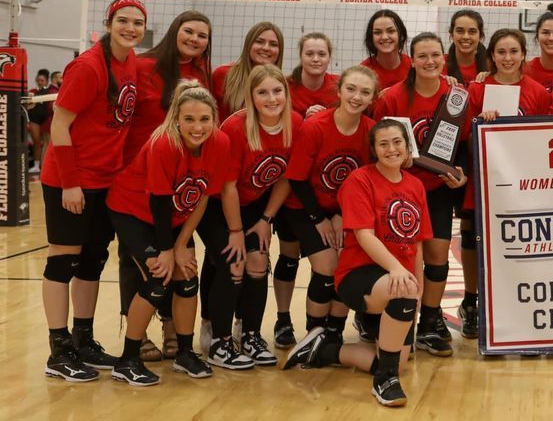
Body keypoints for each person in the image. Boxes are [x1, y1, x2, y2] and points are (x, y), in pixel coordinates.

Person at [283, 119, 432, 408]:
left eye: (398, 142)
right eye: (384, 144)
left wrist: (419, 283)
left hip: (397, 278)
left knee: (397, 359)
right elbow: (364, 236)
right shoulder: (360, 180)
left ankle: (324, 350)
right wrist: (398, 271)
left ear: (407, 146)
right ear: (373, 150)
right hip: (357, 276)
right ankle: (385, 381)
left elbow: (417, 243)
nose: (392, 149)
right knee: (401, 293)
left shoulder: (415, 185)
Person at [40, 0, 146, 382]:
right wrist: (70, 183)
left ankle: (83, 339)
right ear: (109, 22)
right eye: (123, 21)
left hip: (106, 180)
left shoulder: (130, 61)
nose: (130, 28)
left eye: (137, 22)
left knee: (92, 260)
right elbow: (59, 126)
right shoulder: (88, 67)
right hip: (71, 180)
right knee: (63, 261)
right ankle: (58, 349)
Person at [106, 81, 231, 385]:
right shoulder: (164, 143)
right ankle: (128, 360)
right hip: (133, 212)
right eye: (189, 119)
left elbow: (201, 197)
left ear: (214, 118)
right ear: (176, 118)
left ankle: (185, 354)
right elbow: (158, 201)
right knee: (158, 280)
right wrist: (167, 249)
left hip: (174, 220)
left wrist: (181, 244)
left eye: (204, 119)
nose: (197, 126)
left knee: (187, 278)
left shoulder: (221, 143)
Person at [118, 10, 212, 361]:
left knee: (175, 253)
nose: (194, 39)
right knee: (137, 260)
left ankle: (171, 326)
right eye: (189, 31)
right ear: (175, 31)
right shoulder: (144, 67)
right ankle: (135, 334)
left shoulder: (201, 73)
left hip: (178, 181)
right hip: (136, 175)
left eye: (202, 35)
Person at [198, 65, 301, 369]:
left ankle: (251, 335)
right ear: (251, 96)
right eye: (263, 92)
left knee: (259, 260)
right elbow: (228, 188)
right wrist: (235, 231)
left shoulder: (294, 123)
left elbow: (286, 178)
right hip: (215, 206)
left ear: (286, 92)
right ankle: (219, 340)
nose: (272, 98)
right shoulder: (235, 128)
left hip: (255, 206)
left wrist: (266, 219)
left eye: (277, 90)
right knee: (235, 261)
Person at [374, 33, 467, 356]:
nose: (430, 61)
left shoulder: (456, 96)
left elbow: (464, 142)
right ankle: (392, 321)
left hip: (438, 190)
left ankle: (429, 321)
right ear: (411, 60)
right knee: (401, 259)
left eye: (435, 55)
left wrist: (460, 175)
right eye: (422, 56)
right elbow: (379, 144)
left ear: (445, 59)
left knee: (437, 257)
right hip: (400, 191)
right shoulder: (394, 97)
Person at [277, 66, 378, 349]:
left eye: (365, 92)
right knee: (328, 266)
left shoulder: (371, 132)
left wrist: (341, 215)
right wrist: (320, 218)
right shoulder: (316, 126)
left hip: (343, 211)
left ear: (372, 98)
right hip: (304, 207)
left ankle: (333, 333)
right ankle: (314, 334)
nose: (357, 97)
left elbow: (364, 182)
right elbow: (296, 179)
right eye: (351, 89)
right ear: (339, 91)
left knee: (346, 266)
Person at [459, 29, 550, 337]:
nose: (508, 58)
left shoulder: (537, 92)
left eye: (514, 51)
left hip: (522, 184)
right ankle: (471, 303)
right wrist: (479, 125)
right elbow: (463, 139)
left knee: (513, 242)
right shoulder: (476, 90)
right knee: (472, 239)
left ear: (524, 54)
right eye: (501, 52)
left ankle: (515, 304)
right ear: (492, 56)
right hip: (482, 178)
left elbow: (545, 139)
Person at [211, 22, 284, 121]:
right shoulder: (223, 74)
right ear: (248, 45)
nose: (266, 48)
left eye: (273, 44)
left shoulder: (282, 84)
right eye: (259, 41)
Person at [288, 32, 339, 118]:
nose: (315, 59)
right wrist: (306, 122)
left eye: (322, 54)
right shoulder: (285, 86)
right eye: (309, 54)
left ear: (329, 58)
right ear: (301, 57)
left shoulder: (340, 85)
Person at [360, 10, 410, 90]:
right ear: (371, 38)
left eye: (391, 31)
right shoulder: (363, 72)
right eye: (377, 32)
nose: (384, 37)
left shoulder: (414, 67)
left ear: (402, 35)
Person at [446, 9, 488, 84]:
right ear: (452, 34)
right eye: (460, 31)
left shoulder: (492, 65)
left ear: (480, 36)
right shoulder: (439, 64)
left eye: (472, 31)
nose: (466, 37)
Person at [27, 68, 53, 173]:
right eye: (38, 80)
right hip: (34, 119)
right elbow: (27, 106)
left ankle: (46, 165)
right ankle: (36, 165)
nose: (40, 82)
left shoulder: (50, 91)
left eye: (42, 80)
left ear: (46, 81)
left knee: (48, 143)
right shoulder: (32, 92)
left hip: (46, 119)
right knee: (37, 142)